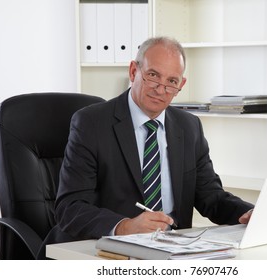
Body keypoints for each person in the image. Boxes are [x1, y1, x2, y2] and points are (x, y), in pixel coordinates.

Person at [55, 36, 254, 239]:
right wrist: (124, 226)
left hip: (172, 248)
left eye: (171, 81)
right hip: (109, 247)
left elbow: (211, 197)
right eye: (153, 75)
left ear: (181, 85)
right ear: (133, 71)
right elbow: (70, 207)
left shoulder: (189, 126)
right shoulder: (91, 123)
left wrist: (248, 213)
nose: (161, 89)